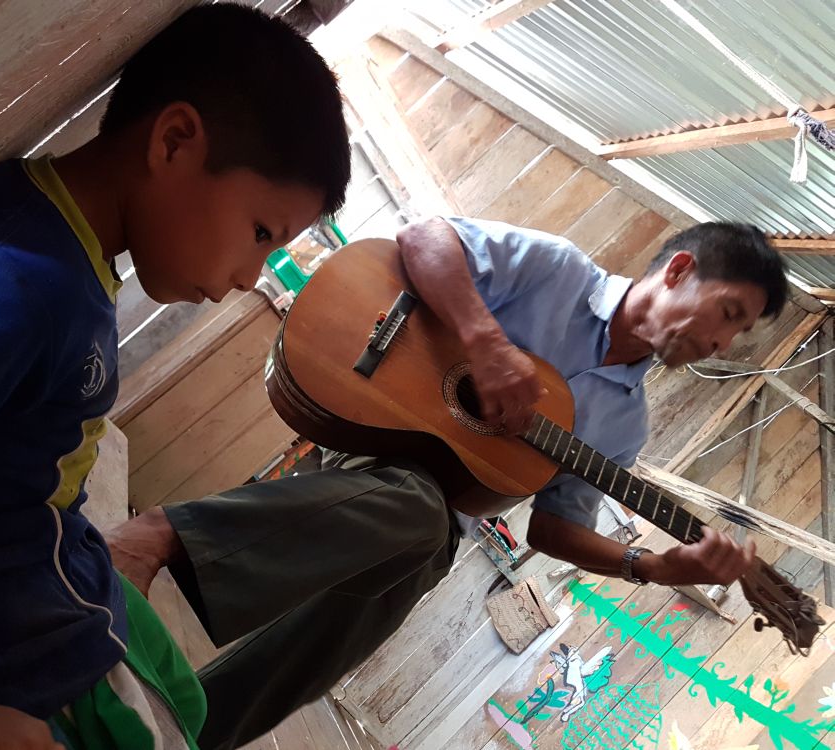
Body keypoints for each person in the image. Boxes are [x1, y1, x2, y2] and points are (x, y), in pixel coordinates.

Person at [0, 4, 351, 749]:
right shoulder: (19, 288)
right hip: (9, 637)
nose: (249, 276)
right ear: (173, 142)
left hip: (48, 554)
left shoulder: (63, 248)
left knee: (186, 704)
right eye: (260, 233)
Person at [107, 216, 788, 750]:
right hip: (371, 436)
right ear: (679, 270)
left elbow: (553, 529)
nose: (724, 344)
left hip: (427, 525)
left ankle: (184, 734)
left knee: (390, 588)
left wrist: (657, 567)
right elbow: (426, 239)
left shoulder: (624, 424)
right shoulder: (556, 270)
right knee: (421, 515)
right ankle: (161, 537)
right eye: (729, 313)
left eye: (741, 334)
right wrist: (485, 345)